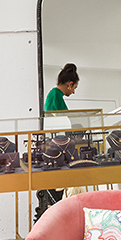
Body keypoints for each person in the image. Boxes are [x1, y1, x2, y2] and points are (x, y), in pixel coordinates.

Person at [36, 62, 79, 220]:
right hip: (57, 147)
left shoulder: (56, 96)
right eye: (74, 88)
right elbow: (58, 122)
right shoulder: (54, 95)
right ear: (70, 84)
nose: (73, 92)